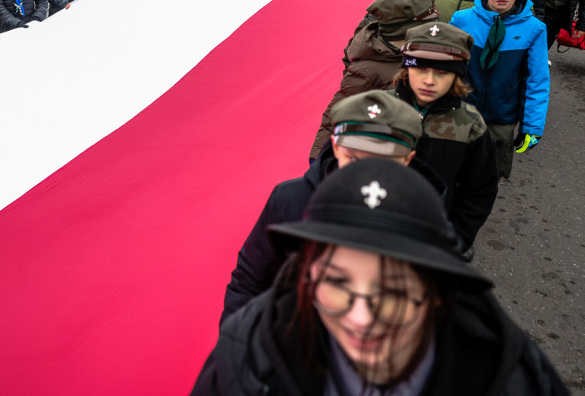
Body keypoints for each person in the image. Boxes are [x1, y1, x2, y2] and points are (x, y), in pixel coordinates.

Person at [197, 159, 570, 396]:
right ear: (307, 276)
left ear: (438, 294)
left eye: (393, 293)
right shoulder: (250, 344)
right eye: (337, 285)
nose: (360, 318)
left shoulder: (512, 378)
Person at [221, 91, 428, 323]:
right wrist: (236, 344)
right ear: (336, 147)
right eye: (354, 159)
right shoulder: (290, 198)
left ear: (408, 159)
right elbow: (250, 280)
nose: (365, 174)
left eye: (381, 162)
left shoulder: (423, 211)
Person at [393, 22, 498, 256]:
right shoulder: (375, 109)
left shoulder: (470, 125)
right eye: (420, 69)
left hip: (432, 241)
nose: (429, 80)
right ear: (406, 68)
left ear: (457, 76)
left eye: (442, 72)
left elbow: (480, 189)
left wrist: (457, 236)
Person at [309, 0, 439, 159]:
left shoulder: (423, 54)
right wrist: (320, 162)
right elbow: (336, 118)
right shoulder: (367, 71)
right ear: (406, 31)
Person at [450, 0, 549, 180]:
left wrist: (532, 125)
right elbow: (447, 67)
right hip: (461, 111)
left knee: (488, 177)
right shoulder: (461, 20)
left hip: (502, 117)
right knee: (453, 171)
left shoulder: (534, 28)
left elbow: (537, 79)